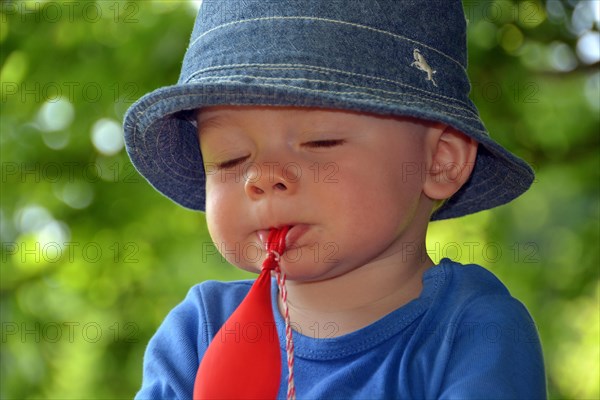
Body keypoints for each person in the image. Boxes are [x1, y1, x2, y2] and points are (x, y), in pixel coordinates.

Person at [123, 1, 546, 398]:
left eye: (320, 141)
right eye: (230, 158)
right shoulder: (199, 333)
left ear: (439, 160)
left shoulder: (473, 331)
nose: (264, 178)